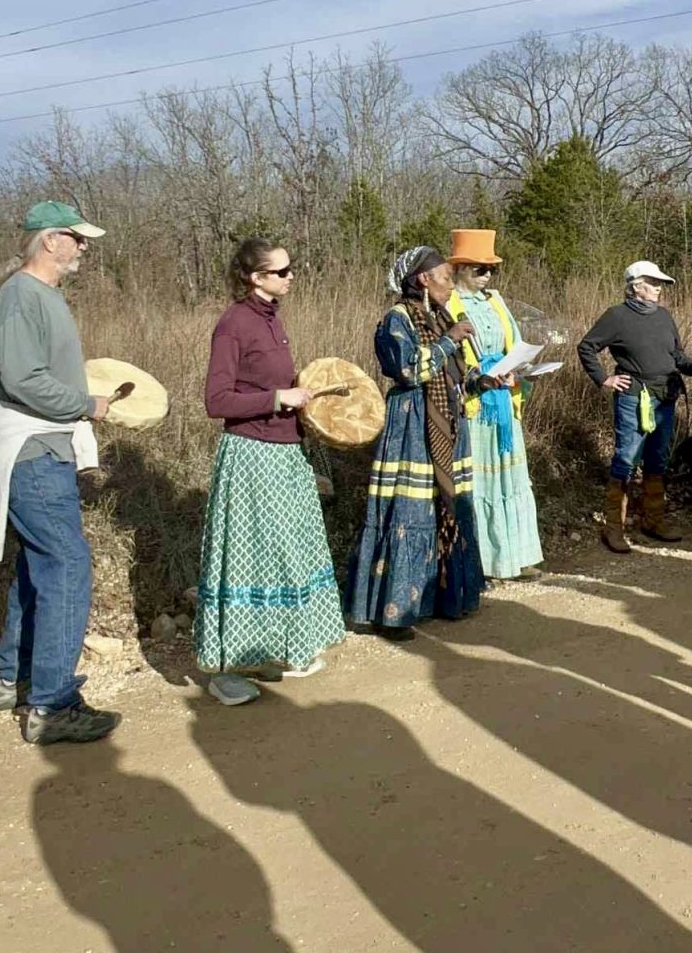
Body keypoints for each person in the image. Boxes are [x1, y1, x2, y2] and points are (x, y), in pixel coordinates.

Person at [0, 200, 121, 745]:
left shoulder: (41, 296)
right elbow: (23, 379)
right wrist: (86, 404)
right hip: (32, 453)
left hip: (44, 451)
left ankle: (14, 677)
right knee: (67, 565)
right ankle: (53, 706)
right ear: (51, 240)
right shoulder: (19, 296)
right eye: (76, 238)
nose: (83, 247)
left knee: (42, 565)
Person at [194, 237, 345, 705]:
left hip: (284, 452)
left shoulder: (272, 318)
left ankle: (276, 650)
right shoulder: (234, 324)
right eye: (280, 272)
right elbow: (215, 401)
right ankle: (226, 670)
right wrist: (279, 399)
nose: (290, 276)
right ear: (255, 278)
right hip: (251, 456)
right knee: (249, 555)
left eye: (290, 269)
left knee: (287, 551)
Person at [346, 246, 496, 640]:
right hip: (413, 420)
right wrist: (449, 340)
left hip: (448, 419)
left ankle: (446, 597)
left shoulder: (444, 316)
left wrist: (486, 381)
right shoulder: (397, 318)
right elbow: (409, 369)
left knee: (447, 505)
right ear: (423, 280)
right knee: (409, 509)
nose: (450, 284)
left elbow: (458, 372)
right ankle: (393, 612)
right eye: (445, 278)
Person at [577, 260, 692, 554]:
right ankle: (614, 528)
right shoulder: (616, 316)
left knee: (657, 458)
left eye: (660, 283)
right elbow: (586, 346)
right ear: (635, 286)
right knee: (626, 457)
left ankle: (653, 520)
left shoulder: (663, 316)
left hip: (666, 394)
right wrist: (604, 378)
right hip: (634, 395)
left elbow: (676, 355)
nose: (659, 288)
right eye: (653, 282)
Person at [446, 228, 543, 580]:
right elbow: (448, 355)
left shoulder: (495, 301)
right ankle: (483, 561)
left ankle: (517, 555)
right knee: (480, 482)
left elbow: (513, 342)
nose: (487, 276)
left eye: (491, 270)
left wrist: (522, 368)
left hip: (503, 397)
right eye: (479, 269)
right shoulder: (447, 304)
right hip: (475, 402)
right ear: (460, 269)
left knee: (511, 477)